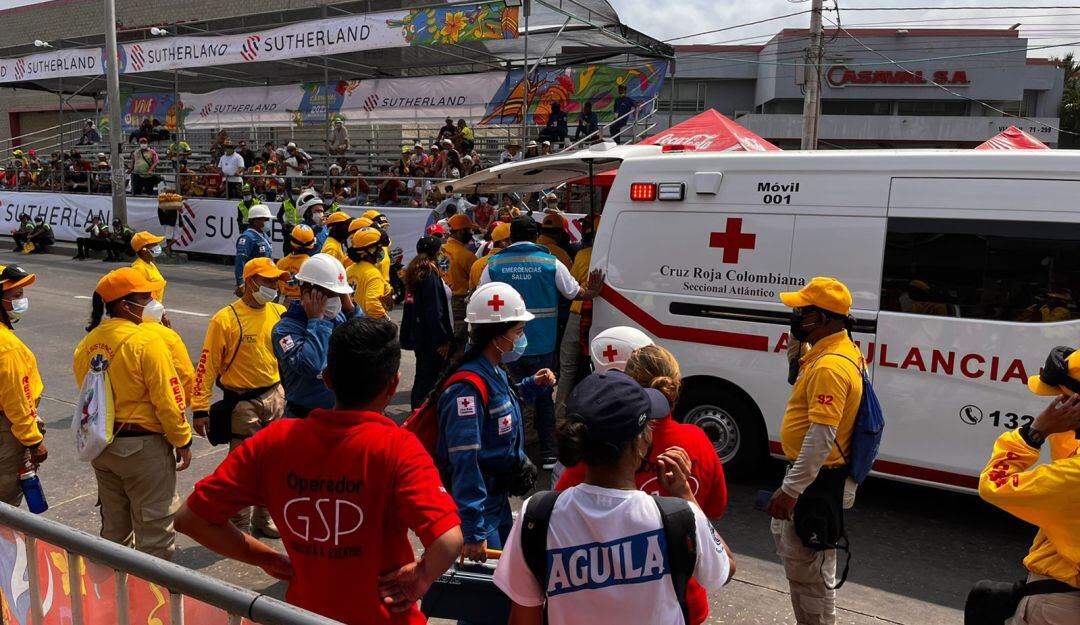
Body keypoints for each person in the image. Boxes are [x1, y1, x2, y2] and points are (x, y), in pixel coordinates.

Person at [177, 317, 463, 625]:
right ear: (393, 384)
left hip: (304, 614)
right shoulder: (398, 448)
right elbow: (448, 541)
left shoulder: (274, 442)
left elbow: (190, 519)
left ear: (326, 378)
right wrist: (420, 577)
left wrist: (267, 558)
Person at [493, 370, 734, 624]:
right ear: (641, 443)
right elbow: (725, 568)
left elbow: (523, 617)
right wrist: (685, 494)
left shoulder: (538, 514)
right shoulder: (679, 516)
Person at [556, 345, 728, 625]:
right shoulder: (698, 440)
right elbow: (716, 512)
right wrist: (684, 498)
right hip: (685, 599)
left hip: (606, 596)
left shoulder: (603, 450)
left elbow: (562, 508)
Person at [75, 268, 193, 559]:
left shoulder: (87, 344)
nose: (152, 301)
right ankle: (153, 600)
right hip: (144, 450)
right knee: (155, 534)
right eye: (145, 296)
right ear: (125, 305)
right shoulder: (148, 342)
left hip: (102, 446)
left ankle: (114, 595)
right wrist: (183, 440)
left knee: (114, 530)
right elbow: (168, 399)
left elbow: (89, 394)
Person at [767, 277, 863, 625]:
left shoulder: (829, 367)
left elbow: (822, 436)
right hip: (820, 480)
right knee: (817, 577)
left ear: (823, 319)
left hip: (813, 485)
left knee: (808, 580)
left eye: (802, 312)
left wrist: (791, 489)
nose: (795, 317)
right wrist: (798, 344)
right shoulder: (836, 350)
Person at [435, 281, 551, 562]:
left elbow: (499, 407)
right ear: (496, 336)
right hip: (479, 509)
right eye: (518, 332)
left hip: (496, 501)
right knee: (485, 594)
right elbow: (465, 461)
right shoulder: (467, 388)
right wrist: (474, 532)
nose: (522, 340)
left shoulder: (494, 371)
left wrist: (531, 386)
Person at [478, 216, 604, 469]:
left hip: (507, 345)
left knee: (510, 397)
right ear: (536, 236)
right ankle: (548, 454)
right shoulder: (550, 263)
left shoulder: (493, 264)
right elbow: (574, 292)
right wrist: (592, 290)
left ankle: (516, 451)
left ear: (511, 237)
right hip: (543, 344)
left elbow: (482, 298)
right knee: (544, 397)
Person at [977, 347, 1080, 625]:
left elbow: (993, 485)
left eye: (1064, 399)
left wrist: (1036, 432)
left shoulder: (1073, 476)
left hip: (1059, 605)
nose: (1055, 404)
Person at [191, 258, 288, 538]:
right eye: (268, 281)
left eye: (275, 281)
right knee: (243, 468)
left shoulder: (279, 312)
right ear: (250, 282)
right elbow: (206, 366)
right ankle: (238, 524)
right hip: (243, 405)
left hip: (275, 396)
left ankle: (263, 517)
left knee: (272, 464)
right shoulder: (225, 319)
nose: (274, 286)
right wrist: (199, 408)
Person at [272, 254, 361, 418]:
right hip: (303, 418)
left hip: (340, 415)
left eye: (339, 295)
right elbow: (310, 365)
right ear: (308, 293)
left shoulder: (338, 317)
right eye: (332, 295)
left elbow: (368, 341)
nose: (337, 301)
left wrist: (350, 308)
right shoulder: (285, 330)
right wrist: (316, 322)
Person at [0, 265, 48, 507]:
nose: (22, 301)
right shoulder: (7, 347)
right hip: (7, 433)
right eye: (16, 296)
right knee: (7, 507)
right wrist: (34, 441)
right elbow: (17, 400)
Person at [555, 216, 600, 423]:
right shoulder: (622, 256)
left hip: (578, 313)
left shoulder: (583, 255)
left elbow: (570, 289)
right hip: (608, 316)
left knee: (568, 367)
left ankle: (559, 417)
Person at [400, 236, 454, 409]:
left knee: (423, 376)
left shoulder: (415, 271)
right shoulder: (429, 275)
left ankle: (418, 413)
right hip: (431, 339)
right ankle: (421, 417)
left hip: (420, 335)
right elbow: (434, 311)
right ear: (436, 253)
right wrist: (442, 340)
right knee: (430, 381)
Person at [439, 214, 479, 349]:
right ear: (462, 231)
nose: (471, 233)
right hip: (458, 303)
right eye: (469, 230)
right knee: (458, 342)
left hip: (438, 299)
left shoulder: (438, 250)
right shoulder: (467, 256)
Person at [346, 228, 393, 318]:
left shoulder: (349, 269)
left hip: (350, 323)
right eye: (378, 248)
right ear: (366, 251)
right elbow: (372, 305)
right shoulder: (373, 274)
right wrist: (384, 319)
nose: (381, 251)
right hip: (366, 326)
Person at [233, 205, 274, 297]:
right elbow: (240, 261)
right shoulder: (247, 238)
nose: (268, 222)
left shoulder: (264, 235)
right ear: (256, 221)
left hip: (266, 279)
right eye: (266, 219)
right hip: (254, 282)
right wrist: (241, 283)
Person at [276, 225, 319, 305]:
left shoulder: (280, 263)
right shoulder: (312, 264)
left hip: (283, 304)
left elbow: (276, 288)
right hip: (303, 305)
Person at [469, 222, 511, 292]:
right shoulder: (512, 263)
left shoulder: (477, 264)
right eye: (514, 240)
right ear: (503, 242)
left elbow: (472, 291)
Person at [129, 232, 168, 306]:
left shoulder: (150, 264)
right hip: (147, 309)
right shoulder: (139, 268)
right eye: (154, 245)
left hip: (154, 307)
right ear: (144, 249)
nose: (157, 246)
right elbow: (139, 295)